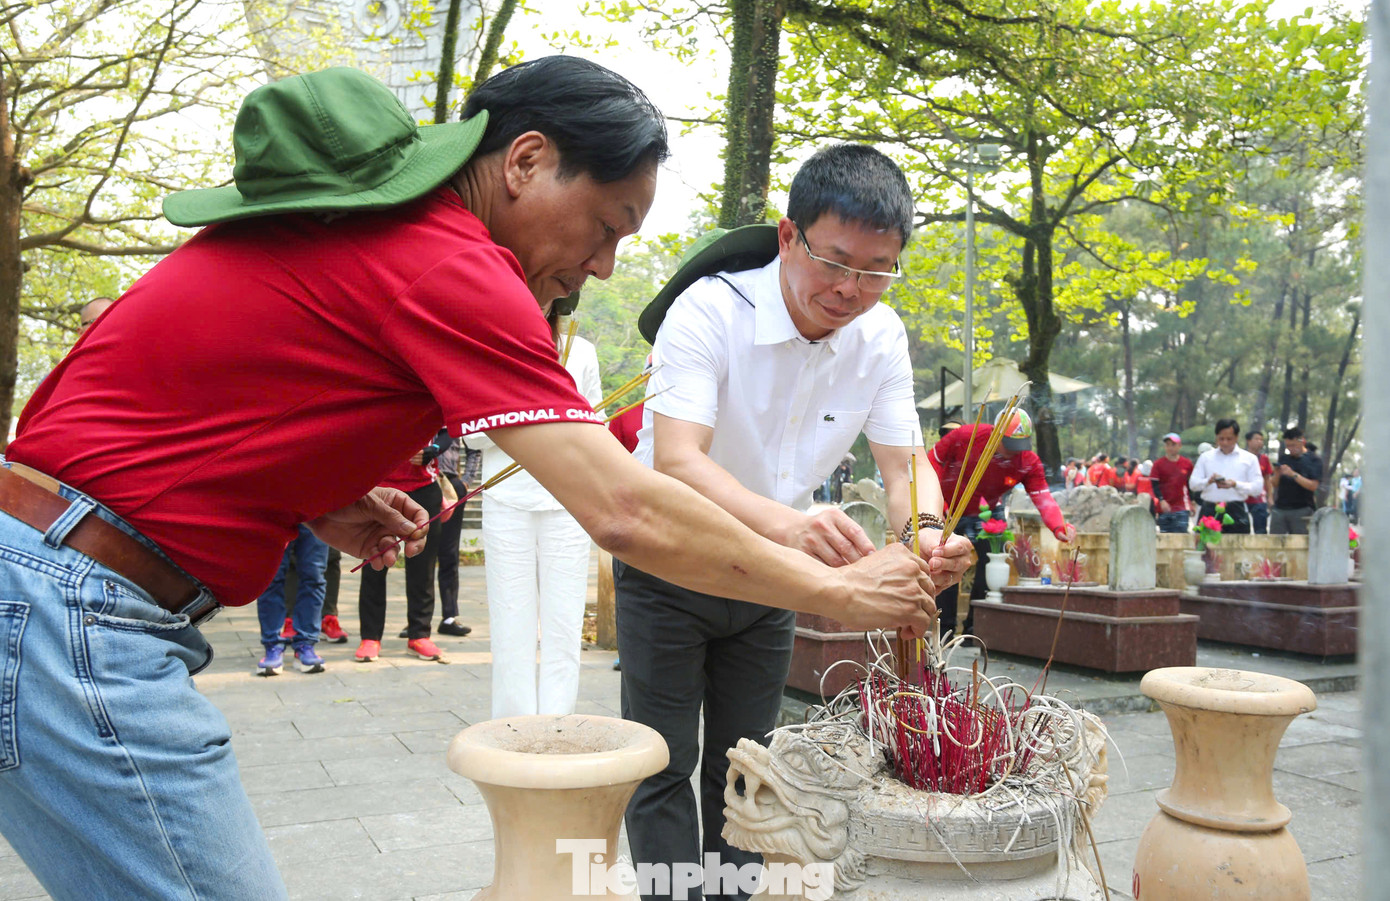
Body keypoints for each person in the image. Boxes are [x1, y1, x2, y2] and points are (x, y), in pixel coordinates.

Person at [0, 62, 949, 901]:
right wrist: (835, 590)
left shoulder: (373, 233)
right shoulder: (449, 258)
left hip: (45, 578)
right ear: (526, 161)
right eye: (607, 225)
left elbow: (209, 395)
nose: (604, 264)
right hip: (70, 608)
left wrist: (323, 497)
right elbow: (624, 505)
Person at [619, 145, 974, 901]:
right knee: (661, 764)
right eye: (834, 261)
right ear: (788, 237)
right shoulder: (709, 309)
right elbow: (677, 460)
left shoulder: (881, 336)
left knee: (751, 766)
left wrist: (925, 533)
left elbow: (906, 464)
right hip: (671, 559)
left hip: (772, 580)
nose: (850, 289)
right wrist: (788, 526)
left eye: (876, 271)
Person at [463, 307, 603, 718]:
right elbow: (471, 435)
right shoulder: (491, 349)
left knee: (564, 622)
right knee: (510, 619)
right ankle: (513, 724)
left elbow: (598, 425)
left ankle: (559, 722)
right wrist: (530, 411)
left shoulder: (581, 352)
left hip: (568, 500)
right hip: (506, 498)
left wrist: (566, 416)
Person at [928, 409, 1075, 636]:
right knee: (945, 562)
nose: (1013, 452)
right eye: (1008, 444)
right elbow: (930, 464)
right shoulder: (966, 436)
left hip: (986, 510)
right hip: (947, 507)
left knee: (993, 562)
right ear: (995, 434)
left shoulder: (1028, 461)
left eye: (1019, 445)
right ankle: (944, 629)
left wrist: (1058, 526)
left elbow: (1042, 497)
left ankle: (975, 628)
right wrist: (936, 504)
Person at [357, 453, 444, 662]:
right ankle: (370, 637)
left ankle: (419, 634)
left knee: (423, 566)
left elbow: (447, 436)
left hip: (423, 487)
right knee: (374, 563)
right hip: (378, 486)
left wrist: (434, 449)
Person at [255, 524, 329, 675]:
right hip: (274, 513)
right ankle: (272, 645)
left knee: (314, 577)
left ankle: (306, 643)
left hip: (315, 513)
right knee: (270, 576)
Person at [422, 427, 473, 637]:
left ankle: (449, 616)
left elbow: (474, 447)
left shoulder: (454, 415)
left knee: (449, 553)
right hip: (422, 481)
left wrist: (466, 480)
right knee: (421, 554)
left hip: (450, 484)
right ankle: (417, 620)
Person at [1189, 419, 1261, 533]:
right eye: (1221, 439)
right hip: (1210, 510)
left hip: (1236, 510)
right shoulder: (1205, 457)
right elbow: (1193, 484)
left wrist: (1235, 484)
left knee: (1238, 544)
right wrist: (1209, 481)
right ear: (1216, 437)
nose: (1225, 443)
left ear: (1236, 437)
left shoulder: (1249, 459)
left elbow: (1257, 488)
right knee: (1205, 544)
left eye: (1229, 439)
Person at [1270, 426, 1322, 535]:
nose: (1290, 448)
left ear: (1302, 441)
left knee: (1300, 541)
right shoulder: (1284, 458)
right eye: (1288, 446)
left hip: (1302, 509)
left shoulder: (1314, 460)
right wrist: (1277, 473)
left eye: (1293, 445)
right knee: (1275, 540)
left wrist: (1293, 474)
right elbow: (1274, 484)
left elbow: (1313, 486)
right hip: (1280, 508)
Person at [1150, 433, 1194, 533]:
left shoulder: (1187, 464)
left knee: (1181, 536)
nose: (1170, 448)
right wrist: (1161, 500)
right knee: (1165, 537)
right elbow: (1155, 485)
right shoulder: (1158, 464)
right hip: (1164, 508)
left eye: (1173, 445)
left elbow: (1190, 484)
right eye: (1168, 445)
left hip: (1182, 507)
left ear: (1179, 446)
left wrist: (1192, 502)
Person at [1245, 430, 1273, 533]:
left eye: (1261, 440)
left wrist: (1270, 497)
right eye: (1256, 439)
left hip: (1259, 499)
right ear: (1248, 441)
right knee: (1242, 528)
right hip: (1242, 498)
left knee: (1260, 529)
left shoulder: (1264, 459)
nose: (1259, 442)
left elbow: (1267, 479)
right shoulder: (1241, 457)